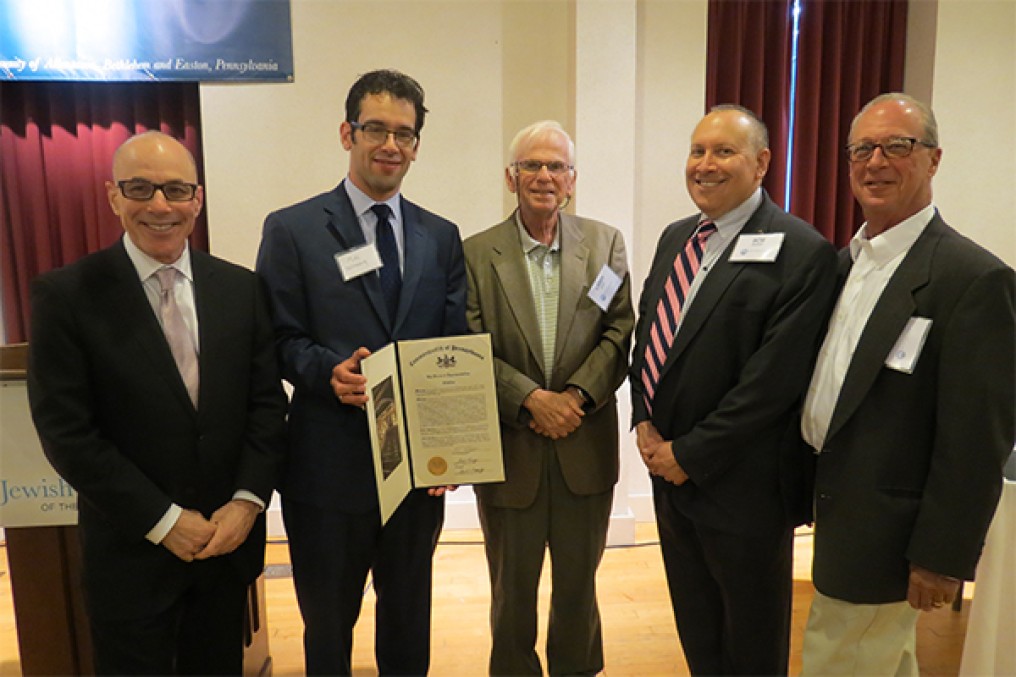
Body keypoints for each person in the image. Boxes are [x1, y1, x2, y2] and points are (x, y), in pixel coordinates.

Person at [27, 131, 287, 674]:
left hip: (223, 552)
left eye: (175, 189)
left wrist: (247, 502)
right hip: (130, 559)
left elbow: (266, 407)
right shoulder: (67, 296)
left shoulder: (240, 289)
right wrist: (166, 521)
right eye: (140, 188)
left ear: (197, 198)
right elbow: (67, 433)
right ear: (113, 196)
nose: (160, 205)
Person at [255, 69, 466, 675]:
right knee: (328, 629)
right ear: (347, 133)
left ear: (417, 144)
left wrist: (452, 446)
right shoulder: (292, 230)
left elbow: (452, 347)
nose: (390, 145)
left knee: (408, 624)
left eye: (404, 133)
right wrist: (328, 372)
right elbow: (276, 339)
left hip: (416, 474)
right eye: (376, 129)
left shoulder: (440, 236)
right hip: (327, 470)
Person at [799, 92, 1015, 675]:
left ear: (934, 159)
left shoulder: (973, 280)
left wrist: (943, 555)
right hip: (837, 510)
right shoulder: (843, 265)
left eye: (897, 146)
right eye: (862, 149)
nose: (876, 162)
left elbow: (977, 438)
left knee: (837, 658)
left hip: (892, 532)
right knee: (883, 660)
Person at [629, 105, 838, 675]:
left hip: (743, 490)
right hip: (669, 480)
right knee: (697, 633)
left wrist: (689, 454)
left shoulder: (802, 251)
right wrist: (643, 420)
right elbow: (650, 335)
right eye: (697, 151)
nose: (705, 164)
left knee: (751, 644)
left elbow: (772, 383)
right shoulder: (676, 238)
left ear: (762, 162)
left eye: (724, 152)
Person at [463, 120, 634, 675]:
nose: (544, 176)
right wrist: (531, 399)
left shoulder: (605, 244)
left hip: (584, 446)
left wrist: (575, 398)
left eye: (556, 166)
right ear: (510, 177)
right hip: (511, 450)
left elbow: (619, 330)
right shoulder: (474, 254)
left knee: (579, 588)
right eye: (531, 165)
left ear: (572, 179)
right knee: (511, 592)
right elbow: (467, 346)